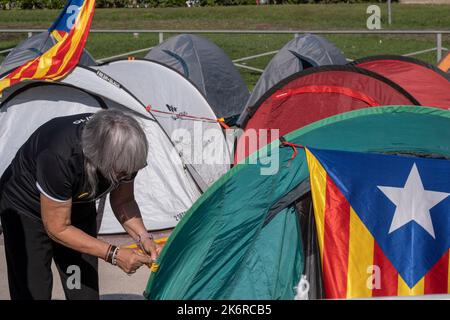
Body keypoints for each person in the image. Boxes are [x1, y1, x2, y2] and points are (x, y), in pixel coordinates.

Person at [0, 110, 161, 300]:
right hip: (27, 208)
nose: (126, 177)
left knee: (81, 289)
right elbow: (57, 228)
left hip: (77, 204)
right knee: (34, 290)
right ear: (99, 159)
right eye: (121, 172)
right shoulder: (60, 156)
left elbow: (123, 200)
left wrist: (144, 237)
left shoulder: (123, 150)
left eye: (131, 172)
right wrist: (114, 254)